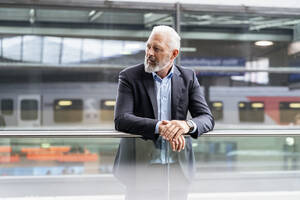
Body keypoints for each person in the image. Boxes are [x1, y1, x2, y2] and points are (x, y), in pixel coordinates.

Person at [113, 25, 214, 200]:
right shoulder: (129, 76)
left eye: (157, 49)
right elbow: (122, 119)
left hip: (178, 167)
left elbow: (207, 119)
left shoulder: (188, 77)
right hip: (140, 167)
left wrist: (186, 125)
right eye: (148, 46)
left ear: (174, 54)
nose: (149, 53)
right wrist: (161, 127)